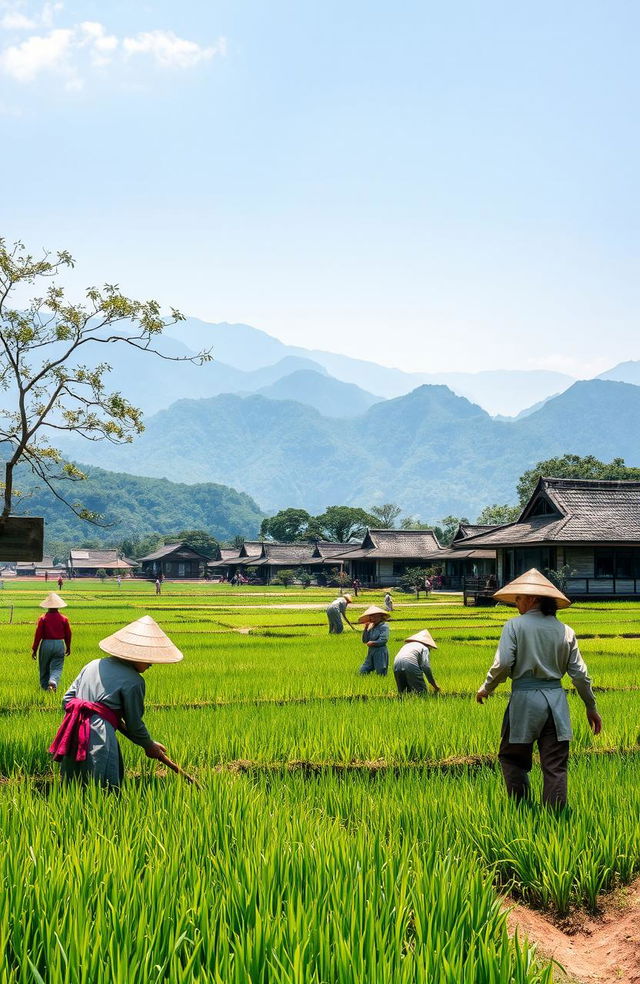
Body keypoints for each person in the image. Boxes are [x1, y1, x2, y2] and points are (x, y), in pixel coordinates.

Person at [476, 569, 602, 809]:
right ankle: (554, 817)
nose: (516, 603)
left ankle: (521, 808)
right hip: (556, 703)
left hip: (524, 700)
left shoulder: (514, 626)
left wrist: (486, 688)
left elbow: (503, 664)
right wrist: (591, 707)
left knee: (512, 757)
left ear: (533, 598)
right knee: (555, 765)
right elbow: (580, 675)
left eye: (520, 598)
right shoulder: (565, 630)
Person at [49, 615, 182, 789]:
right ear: (136, 655)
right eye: (149, 659)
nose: (151, 664)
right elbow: (134, 724)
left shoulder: (92, 664)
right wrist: (148, 744)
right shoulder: (134, 681)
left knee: (72, 786)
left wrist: (97, 711)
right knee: (103, 789)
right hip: (100, 736)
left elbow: (66, 700)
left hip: (72, 731)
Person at [32, 592, 71, 692]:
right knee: (57, 667)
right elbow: (68, 634)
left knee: (44, 667)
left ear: (47, 606)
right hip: (59, 644)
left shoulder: (43, 618)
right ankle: (53, 681)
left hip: (46, 644)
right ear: (58, 606)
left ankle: (44, 689)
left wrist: (34, 649)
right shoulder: (64, 619)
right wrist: (68, 647)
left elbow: (38, 635)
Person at [393, 629, 441, 695]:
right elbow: (425, 667)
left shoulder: (407, 645)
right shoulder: (424, 648)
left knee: (403, 694)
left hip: (396, 664)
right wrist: (435, 685)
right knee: (421, 693)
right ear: (427, 644)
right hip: (409, 664)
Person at [359, 605, 391, 675]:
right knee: (363, 670)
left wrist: (373, 643)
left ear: (380, 616)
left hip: (380, 651)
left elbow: (383, 640)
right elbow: (365, 640)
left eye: (374, 616)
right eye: (370, 616)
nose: (371, 618)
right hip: (371, 651)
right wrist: (366, 628)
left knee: (381, 671)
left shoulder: (384, 626)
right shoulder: (372, 627)